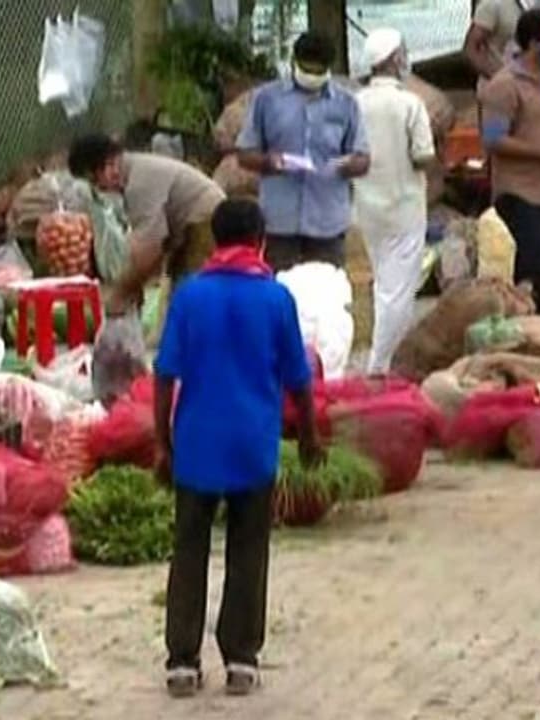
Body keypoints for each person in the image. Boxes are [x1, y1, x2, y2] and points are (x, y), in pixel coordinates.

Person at [154, 198, 322, 698]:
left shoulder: (189, 296)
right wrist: (310, 436)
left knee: (189, 547)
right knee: (249, 549)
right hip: (253, 443)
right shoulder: (275, 299)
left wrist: (163, 443)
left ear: (215, 240)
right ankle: (241, 658)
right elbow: (299, 379)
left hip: (196, 444)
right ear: (260, 240)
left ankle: (182, 661)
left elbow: (165, 374)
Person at [236, 32, 370, 272]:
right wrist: (269, 161)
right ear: (293, 62)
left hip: (328, 222)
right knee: (280, 293)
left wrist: (348, 164)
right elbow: (244, 153)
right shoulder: (266, 99)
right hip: (280, 222)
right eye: (307, 70)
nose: (312, 77)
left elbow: (363, 159)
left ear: (329, 69)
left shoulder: (346, 103)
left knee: (325, 298)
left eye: (319, 72)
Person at [352, 28, 437, 375]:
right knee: (398, 290)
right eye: (402, 53)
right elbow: (423, 155)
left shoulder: (354, 103)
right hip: (404, 207)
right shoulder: (409, 103)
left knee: (384, 284)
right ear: (393, 59)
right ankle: (381, 364)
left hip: (365, 208)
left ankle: (389, 358)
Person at [479, 9, 540, 316]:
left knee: (531, 272)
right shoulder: (504, 86)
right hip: (518, 193)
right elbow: (494, 139)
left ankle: (531, 334)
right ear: (534, 43)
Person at [67, 134, 226, 312]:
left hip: (205, 223)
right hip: (187, 229)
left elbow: (149, 249)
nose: (99, 189)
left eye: (95, 181)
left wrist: (122, 292)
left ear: (110, 165)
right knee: (178, 295)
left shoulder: (140, 183)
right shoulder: (132, 172)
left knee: (194, 297)